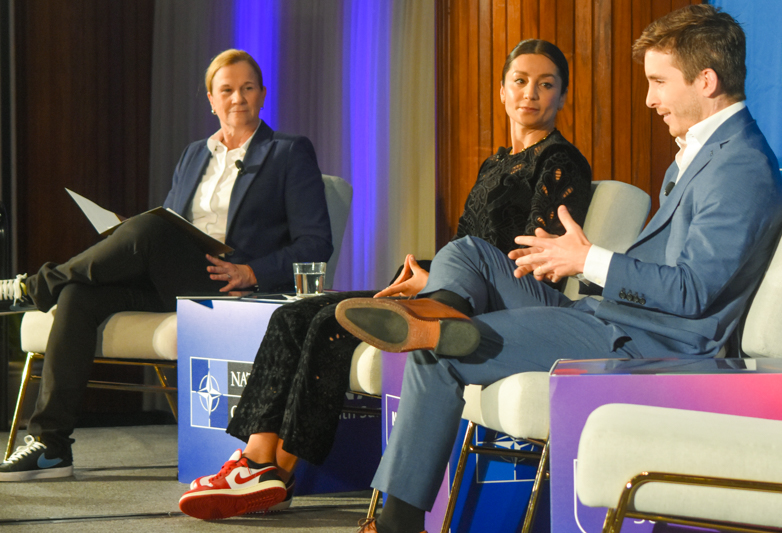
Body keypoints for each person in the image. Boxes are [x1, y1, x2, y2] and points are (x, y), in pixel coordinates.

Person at [335, 6, 782, 533]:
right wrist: (580, 260)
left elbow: (694, 291)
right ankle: (443, 306)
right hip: (610, 316)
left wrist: (590, 260)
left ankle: (398, 522)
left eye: (658, 82)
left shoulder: (739, 166)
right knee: (467, 253)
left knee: (439, 349)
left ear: (706, 81)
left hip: (645, 342)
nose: (649, 99)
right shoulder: (707, 152)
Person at [177, 39, 593, 520]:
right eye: (520, 82)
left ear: (562, 96)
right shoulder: (494, 163)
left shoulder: (561, 162)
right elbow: (466, 242)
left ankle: (278, 471)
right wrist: (429, 274)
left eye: (546, 85)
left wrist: (451, 275)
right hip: (460, 288)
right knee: (297, 315)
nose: (530, 94)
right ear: (501, 92)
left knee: (332, 324)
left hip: (514, 301)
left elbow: (538, 257)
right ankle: (256, 458)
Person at [0, 49, 333, 483]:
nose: (238, 99)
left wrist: (251, 272)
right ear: (211, 100)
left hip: (228, 284)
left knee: (149, 232)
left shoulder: (288, 152)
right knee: (80, 293)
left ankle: (33, 287)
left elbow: (316, 242)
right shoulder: (194, 154)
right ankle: (51, 446)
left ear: (263, 95)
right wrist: (131, 237)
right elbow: (172, 227)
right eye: (226, 90)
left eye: (248, 88)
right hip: (172, 279)